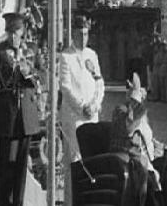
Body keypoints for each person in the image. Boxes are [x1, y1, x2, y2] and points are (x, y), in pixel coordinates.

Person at [0, 12, 40, 206]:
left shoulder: (31, 50)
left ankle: (18, 202)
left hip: (26, 116)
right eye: (9, 32)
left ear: (22, 32)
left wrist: (29, 72)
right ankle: (5, 202)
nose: (12, 37)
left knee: (20, 166)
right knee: (6, 166)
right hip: (7, 116)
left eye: (15, 32)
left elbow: (41, 76)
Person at [110, 73, 167, 206]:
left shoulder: (142, 114)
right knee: (148, 178)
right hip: (132, 160)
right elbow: (128, 128)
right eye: (138, 95)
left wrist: (157, 145)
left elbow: (147, 137)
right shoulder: (120, 111)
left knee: (166, 165)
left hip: (149, 158)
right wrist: (135, 99)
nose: (142, 98)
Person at [59, 14, 104, 206]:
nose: (83, 38)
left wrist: (95, 103)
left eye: (86, 34)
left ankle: (89, 200)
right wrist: (82, 106)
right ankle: (72, 201)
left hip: (91, 115)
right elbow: (65, 87)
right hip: (74, 117)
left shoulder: (92, 55)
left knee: (92, 159)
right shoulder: (65, 57)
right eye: (79, 34)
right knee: (75, 160)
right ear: (73, 34)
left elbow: (99, 82)